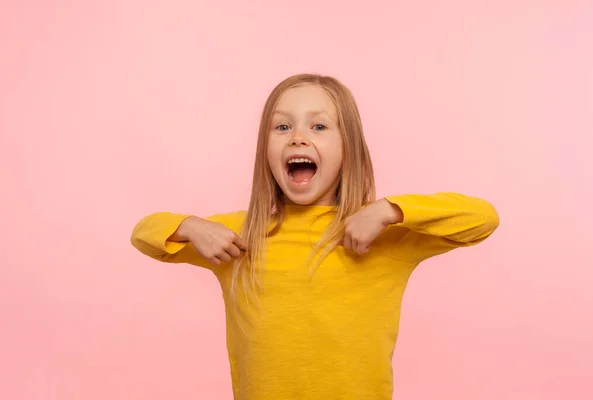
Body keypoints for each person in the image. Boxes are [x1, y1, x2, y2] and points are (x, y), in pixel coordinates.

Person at [130, 73, 500, 400]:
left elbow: (482, 217)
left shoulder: (385, 236)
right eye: (282, 127)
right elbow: (144, 234)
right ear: (266, 149)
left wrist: (388, 210)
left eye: (319, 127)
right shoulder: (240, 237)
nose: (299, 139)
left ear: (347, 147)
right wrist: (193, 226)